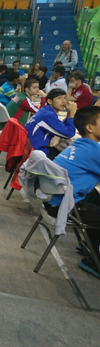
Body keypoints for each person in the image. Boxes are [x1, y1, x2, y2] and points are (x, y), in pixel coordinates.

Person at [48, 105, 100, 276]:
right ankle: (94, 260)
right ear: (90, 127)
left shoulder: (80, 144)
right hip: (64, 206)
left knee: (96, 196)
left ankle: (89, 244)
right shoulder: (94, 151)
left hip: (54, 199)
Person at [24, 89, 77, 159]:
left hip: (31, 148)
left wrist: (69, 113)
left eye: (65, 98)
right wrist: (72, 112)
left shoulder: (45, 111)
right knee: (69, 157)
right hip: (35, 153)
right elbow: (69, 133)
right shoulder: (48, 115)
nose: (64, 101)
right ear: (50, 101)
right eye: (59, 98)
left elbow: (62, 127)